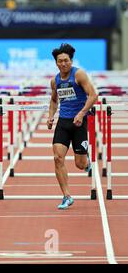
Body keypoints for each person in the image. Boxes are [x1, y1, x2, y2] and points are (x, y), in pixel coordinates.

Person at [47, 43, 98, 210]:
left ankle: (86, 161)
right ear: (56, 63)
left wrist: (82, 113)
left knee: (80, 164)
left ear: (71, 60)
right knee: (57, 158)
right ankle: (66, 196)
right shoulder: (55, 80)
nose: (64, 64)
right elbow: (54, 100)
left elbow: (93, 95)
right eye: (60, 61)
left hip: (79, 122)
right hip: (63, 122)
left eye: (66, 61)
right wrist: (50, 117)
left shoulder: (79, 75)